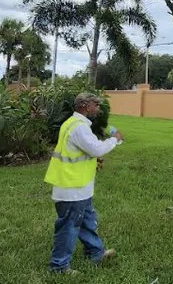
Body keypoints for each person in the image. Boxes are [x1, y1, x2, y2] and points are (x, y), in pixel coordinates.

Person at [44, 92, 124, 274]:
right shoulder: (79, 127)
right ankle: (58, 266)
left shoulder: (73, 124)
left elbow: (80, 151)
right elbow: (96, 149)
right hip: (72, 188)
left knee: (87, 220)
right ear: (85, 106)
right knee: (69, 226)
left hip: (80, 187)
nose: (97, 108)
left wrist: (93, 161)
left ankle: (96, 252)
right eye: (95, 105)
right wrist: (114, 139)